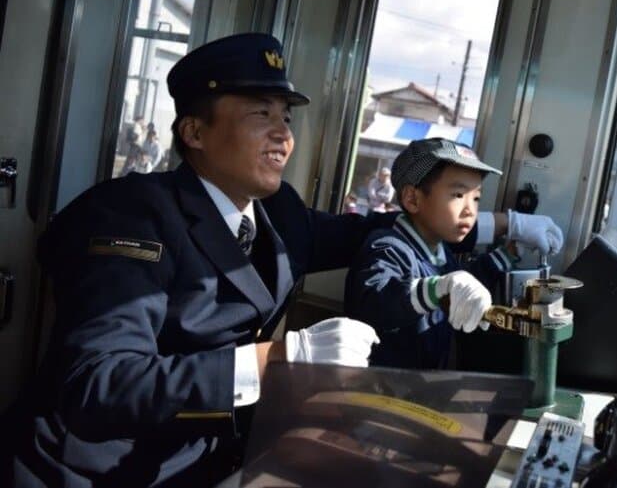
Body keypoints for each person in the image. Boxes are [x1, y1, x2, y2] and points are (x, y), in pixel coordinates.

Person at [2, 33, 559, 487]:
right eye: (258, 114)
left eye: (286, 117)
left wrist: (504, 227)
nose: (282, 134)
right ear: (194, 132)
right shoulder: (131, 217)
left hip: (212, 458)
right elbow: (98, 386)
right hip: (101, 472)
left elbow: (384, 227)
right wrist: (277, 361)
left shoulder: (278, 214)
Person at [345, 137, 564, 369]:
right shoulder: (387, 247)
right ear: (412, 199)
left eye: (476, 198)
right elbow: (377, 301)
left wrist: (507, 254)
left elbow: (463, 282)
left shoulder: (438, 250)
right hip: (379, 389)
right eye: (458, 195)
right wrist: (435, 289)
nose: (470, 210)